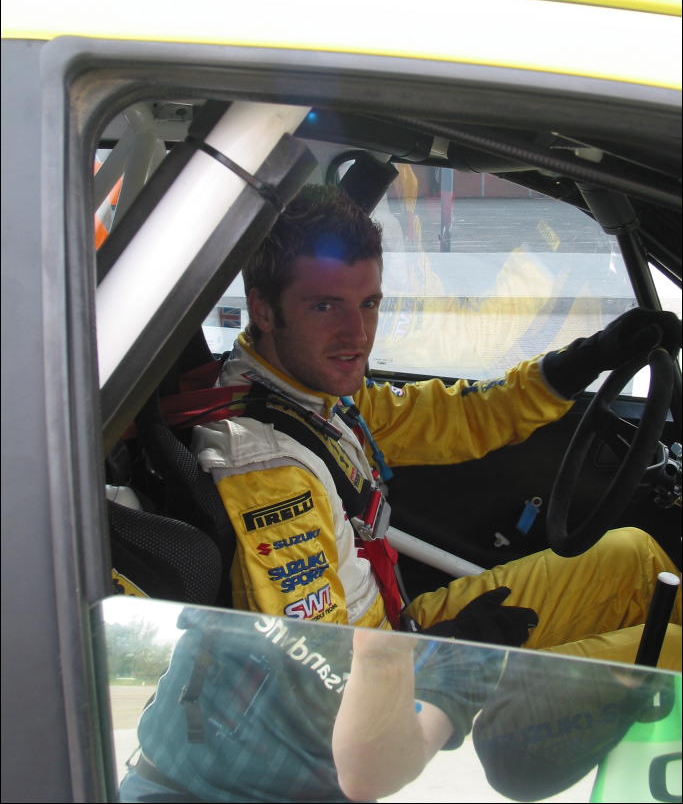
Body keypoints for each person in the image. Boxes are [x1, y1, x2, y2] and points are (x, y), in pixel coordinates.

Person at [192, 184, 682, 668]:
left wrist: (588, 358)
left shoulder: (313, 396)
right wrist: (442, 652)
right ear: (263, 310)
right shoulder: (269, 472)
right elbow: (312, 672)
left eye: (368, 304)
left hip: (399, 635)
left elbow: (460, 417)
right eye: (325, 306)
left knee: (634, 557)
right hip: (388, 685)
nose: (357, 335)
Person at [118, 605, 504, 802]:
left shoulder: (465, 653)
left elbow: (374, 775)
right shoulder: (271, 497)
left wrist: (388, 656)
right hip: (160, 786)